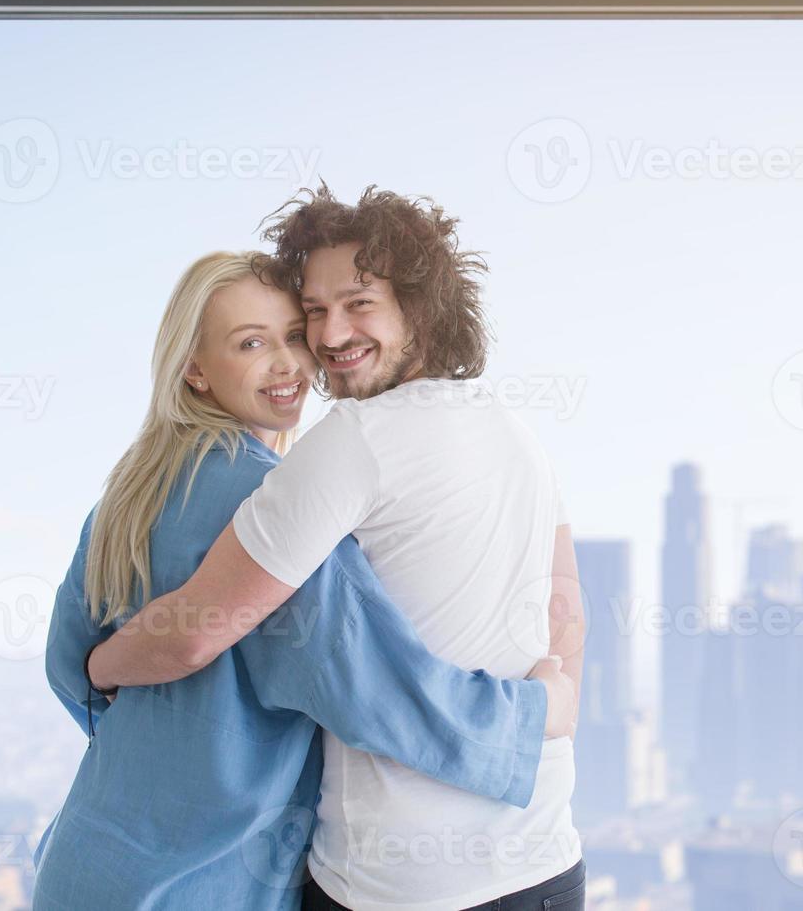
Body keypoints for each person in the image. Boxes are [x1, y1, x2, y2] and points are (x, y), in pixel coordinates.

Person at [88, 187, 586, 911]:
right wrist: (557, 704)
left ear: (420, 306)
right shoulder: (514, 430)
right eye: (314, 312)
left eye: (359, 303)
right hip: (546, 866)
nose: (329, 336)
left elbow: (193, 631)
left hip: (400, 888)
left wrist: (98, 667)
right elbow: (567, 606)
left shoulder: (353, 441)